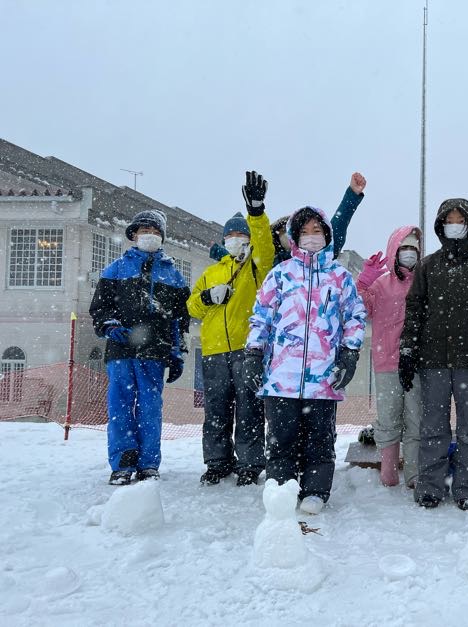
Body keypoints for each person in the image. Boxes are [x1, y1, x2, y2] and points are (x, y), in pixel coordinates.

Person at [243, 206, 366, 515]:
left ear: (327, 235)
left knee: (319, 440)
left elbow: (354, 317)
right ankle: (282, 490)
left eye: (317, 231)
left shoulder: (339, 277)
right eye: (304, 232)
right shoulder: (280, 275)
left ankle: (315, 491)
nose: (311, 238)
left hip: (323, 378)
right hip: (282, 376)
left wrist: (349, 353)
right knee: (281, 438)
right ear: (294, 238)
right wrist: (254, 354)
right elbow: (261, 318)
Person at [399, 199, 468, 512]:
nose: (455, 224)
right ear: (441, 225)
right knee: (432, 425)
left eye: (460, 219)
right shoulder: (428, 266)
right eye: (449, 219)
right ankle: (430, 486)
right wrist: (407, 352)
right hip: (432, 360)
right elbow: (415, 311)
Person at [89, 210, 190, 485]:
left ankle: (148, 464)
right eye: (145, 230)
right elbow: (99, 308)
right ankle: (122, 463)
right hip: (120, 351)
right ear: (133, 234)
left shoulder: (174, 275)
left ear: (162, 237)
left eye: (156, 231)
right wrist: (110, 325)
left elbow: (181, 320)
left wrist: (177, 352)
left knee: (150, 408)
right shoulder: (116, 269)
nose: (150, 235)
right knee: (120, 405)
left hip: (154, 352)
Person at [187, 171, 276, 487]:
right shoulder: (211, 272)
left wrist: (256, 213)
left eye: (241, 235)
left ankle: (250, 463)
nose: (235, 239)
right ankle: (216, 462)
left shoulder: (255, 268)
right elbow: (191, 306)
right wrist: (208, 297)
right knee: (215, 411)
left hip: (244, 348)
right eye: (231, 235)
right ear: (224, 239)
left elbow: (266, 250)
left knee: (249, 409)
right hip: (212, 350)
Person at [357, 226, 422, 488]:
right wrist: (364, 282)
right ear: (394, 250)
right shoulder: (381, 284)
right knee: (388, 419)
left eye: (414, 249)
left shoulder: (423, 280)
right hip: (386, 363)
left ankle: (415, 475)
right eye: (404, 247)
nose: (409, 253)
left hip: (417, 363)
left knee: (416, 417)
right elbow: (360, 308)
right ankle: (389, 473)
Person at [270, 172, 366, 266]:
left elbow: (337, 229)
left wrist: (352, 194)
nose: (287, 236)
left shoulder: (322, 255)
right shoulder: (276, 269)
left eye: (303, 231)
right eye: (283, 231)